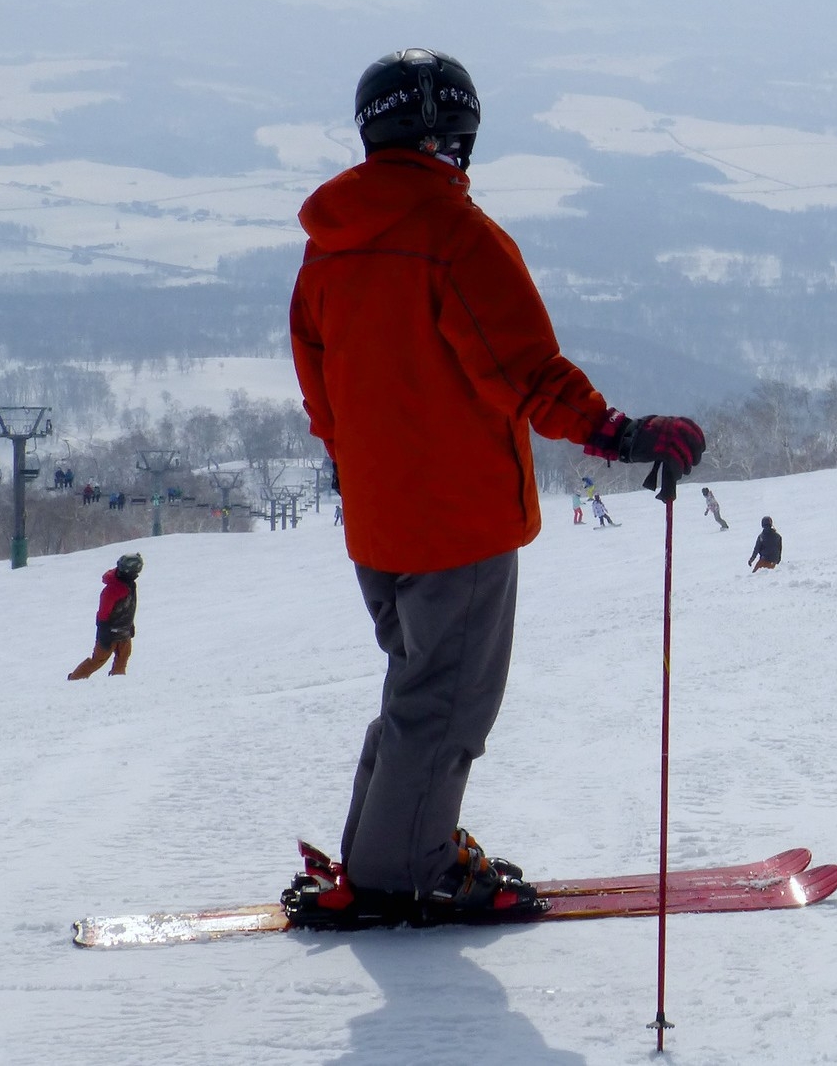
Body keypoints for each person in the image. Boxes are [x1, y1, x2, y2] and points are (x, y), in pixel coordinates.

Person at [284, 47, 705, 926]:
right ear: (454, 134)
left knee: (416, 687)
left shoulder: (329, 251)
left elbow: (326, 407)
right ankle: (409, 873)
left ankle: (381, 852)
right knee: (447, 702)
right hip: (459, 521)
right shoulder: (454, 237)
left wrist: (378, 480)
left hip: (380, 526)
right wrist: (619, 434)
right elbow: (525, 369)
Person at [68, 553, 141, 680]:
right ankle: (75, 679)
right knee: (98, 660)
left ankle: (117, 680)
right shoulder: (112, 590)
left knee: (123, 657)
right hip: (109, 633)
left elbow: (129, 607)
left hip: (124, 631)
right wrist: (104, 632)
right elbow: (103, 614)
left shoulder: (129, 584)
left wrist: (130, 624)